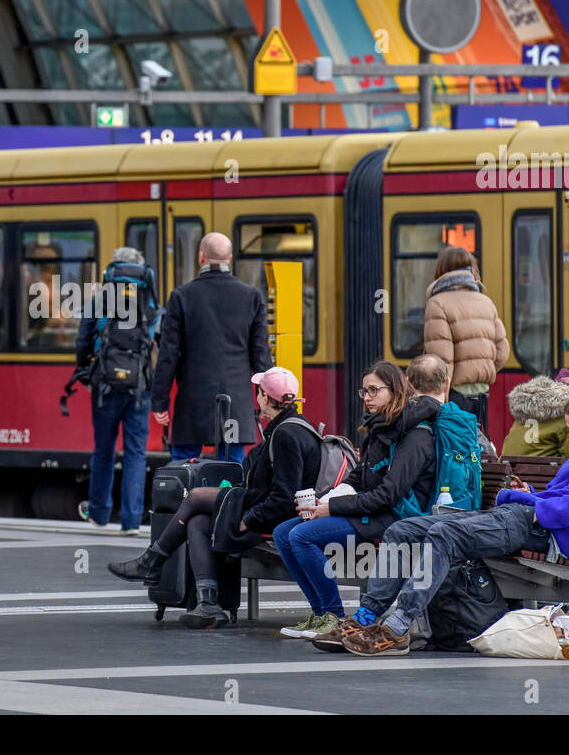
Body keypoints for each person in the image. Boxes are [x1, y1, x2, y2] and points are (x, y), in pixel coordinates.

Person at [336, 390, 569, 656]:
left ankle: (396, 627)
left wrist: (537, 507)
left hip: (544, 531)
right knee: (401, 530)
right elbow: (557, 496)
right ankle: (366, 616)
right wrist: (527, 494)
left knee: (444, 533)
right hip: (522, 518)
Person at [107, 366, 321, 628]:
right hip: (265, 508)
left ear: (265, 397)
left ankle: (151, 562)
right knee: (197, 521)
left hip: (271, 517)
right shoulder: (291, 426)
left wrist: (249, 520)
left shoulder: (287, 434)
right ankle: (208, 604)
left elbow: (283, 498)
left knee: (197, 496)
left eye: (259, 391)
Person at [277, 358, 442, 640]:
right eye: (364, 391)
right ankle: (321, 615)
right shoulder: (382, 426)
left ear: (394, 390)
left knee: (301, 537)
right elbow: (360, 478)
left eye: (374, 390)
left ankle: (333, 615)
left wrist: (334, 508)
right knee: (283, 533)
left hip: (397, 518)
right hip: (372, 510)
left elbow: (389, 495)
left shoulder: (416, 435)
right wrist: (325, 500)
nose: (367, 398)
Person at [150, 233, 271, 465]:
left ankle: (187, 502)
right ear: (230, 259)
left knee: (184, 473)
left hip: (191, 404)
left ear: (201, 257)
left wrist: (160, 402)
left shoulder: (181, 297)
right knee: (232, 473)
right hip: (235, 404)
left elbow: (168, 355)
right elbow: (261, 355)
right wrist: (266, 399)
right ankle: (227, 501)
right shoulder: (252, 297)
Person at [75, 247, 161, 535]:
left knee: (104, 450)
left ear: (112, 271)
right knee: (135, 453)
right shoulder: (150, 303)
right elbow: (161, 344)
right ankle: (132, 521)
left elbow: (82, 338)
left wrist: (84, 369)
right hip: (139, 388)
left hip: (105, 385)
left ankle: (99, 514)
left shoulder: (100, 299)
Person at [422, 246, 509, 433]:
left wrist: (439, 398)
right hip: (481, 394)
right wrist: (481, 371)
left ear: (441, 269)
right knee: (474, 450)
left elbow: (441, 358)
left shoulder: (437, 303)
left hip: (453, 395)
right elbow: (502, 351)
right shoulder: (485, 301)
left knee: (451, 452)